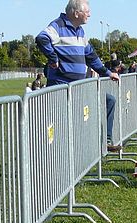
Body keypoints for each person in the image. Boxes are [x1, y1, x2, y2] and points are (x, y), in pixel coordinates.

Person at [36, 0, 121, 150]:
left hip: (78, 86)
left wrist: (108, 73)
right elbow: (42, 38)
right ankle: (54, 153)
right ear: (76, 13)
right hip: (60, 85)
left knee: (109, 101)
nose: (89, 14)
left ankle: (106, 141)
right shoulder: (58, 25)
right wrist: (53, 58)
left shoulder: (80, 31)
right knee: (59, 123)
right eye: (87, 11)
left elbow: (91, 56)